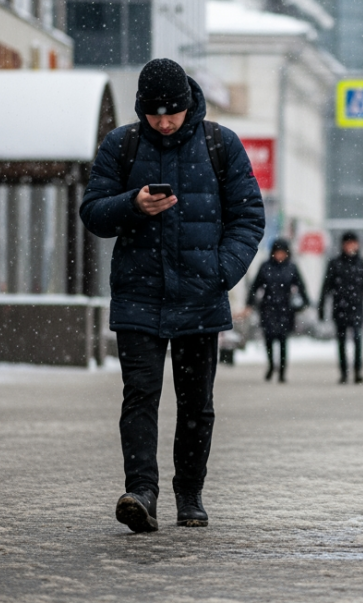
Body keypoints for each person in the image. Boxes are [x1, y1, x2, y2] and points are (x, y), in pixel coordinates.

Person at [80, 58, 265, 533]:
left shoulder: (219, 144)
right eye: (154, 113)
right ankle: (141, 492)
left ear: (189, 105)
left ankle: (190, 492)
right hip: (138, 295)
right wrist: (133, 205)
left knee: (196, 402)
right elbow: (94, 213)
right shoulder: (122, 144)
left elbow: (248, 217)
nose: (163, 122)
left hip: (200, 296)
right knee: (139, 395)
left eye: (172, 113)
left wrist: (219, 272)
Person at [247, 238, 309, 383]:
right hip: (268, 308)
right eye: (277, 252)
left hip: (285, 309)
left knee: (282, 341)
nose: (280, 255)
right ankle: (271, 365)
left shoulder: (292, 268)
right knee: (269, 340)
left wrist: (304, 303)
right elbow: (255, 286)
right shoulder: (265, 267)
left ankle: (282, 371)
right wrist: (250, 303)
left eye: (282, 253)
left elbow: (301, 286)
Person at [318, 231, 363, 384]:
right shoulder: (335, 263)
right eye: (348, 243)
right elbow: (326, 288)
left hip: (357, 308)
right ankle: (344, 372)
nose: (351, 246)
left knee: (357, 339)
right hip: (340, 309)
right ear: (343, 245)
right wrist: (321, 308)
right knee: (341, 342)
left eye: (353, 243)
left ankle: (357, 371)